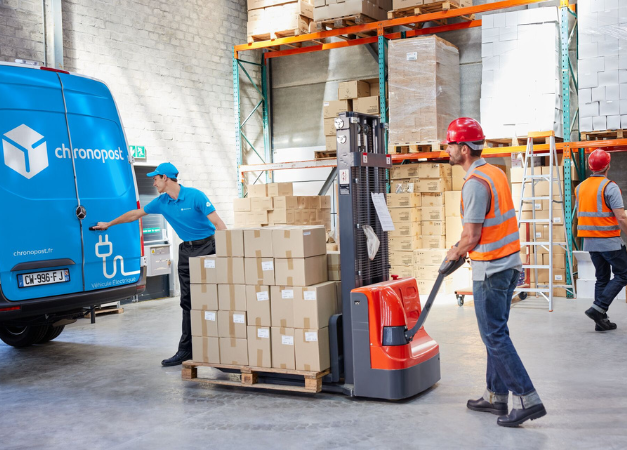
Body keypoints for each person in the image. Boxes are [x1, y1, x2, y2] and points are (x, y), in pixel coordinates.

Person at [443, 118, 546, 427]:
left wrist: (454, 252)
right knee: (495, 334)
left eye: (449, 144)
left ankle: (527, 398)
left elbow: (472, 235)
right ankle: (495, 397)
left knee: (494, 336)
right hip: (508, 264)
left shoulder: (475, 183)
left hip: (491, 270)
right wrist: (463, 247)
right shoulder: (495, 173)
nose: (446, 149)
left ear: (463, 149)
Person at [93, 162, 227, 367]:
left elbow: (218, 224)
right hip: (187, 252)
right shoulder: (161, 202)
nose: (153, 183)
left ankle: (221, 349)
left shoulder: (195, 196)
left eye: (155, 178)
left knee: (216, 300)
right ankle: (185, 350)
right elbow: (134, 214)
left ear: (165, 177)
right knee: (188, 302)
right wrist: (109, 224)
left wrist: (228, 255)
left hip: (209, 248)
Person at [575, 149, 627, 331]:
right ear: (608, 165)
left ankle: (601, 321)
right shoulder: (609, 187)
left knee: (602, 278)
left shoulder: (580, 187)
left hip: (590, 242)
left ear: (591, 166)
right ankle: (599, 308)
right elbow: (621, 218)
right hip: (609, 241)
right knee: (624, 273)